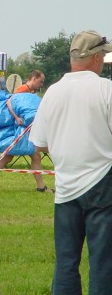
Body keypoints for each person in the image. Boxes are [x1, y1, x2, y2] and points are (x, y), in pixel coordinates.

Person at [30, 30, 112, 294]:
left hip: (65, 185)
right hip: (103, 180)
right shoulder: (106, 89)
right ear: (97, 58)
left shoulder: (52, 92)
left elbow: (39, 142)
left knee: (66, 262)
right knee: (103, 263)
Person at [0, 70, 52, 193]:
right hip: (19, 131)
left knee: (30, 156)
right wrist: (17, 117)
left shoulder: (30, 92)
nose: (41, 85)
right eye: (40, 81)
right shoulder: (22, 90)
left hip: (24, 130)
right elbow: (9, 102)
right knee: (17, 156)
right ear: (33, 78)